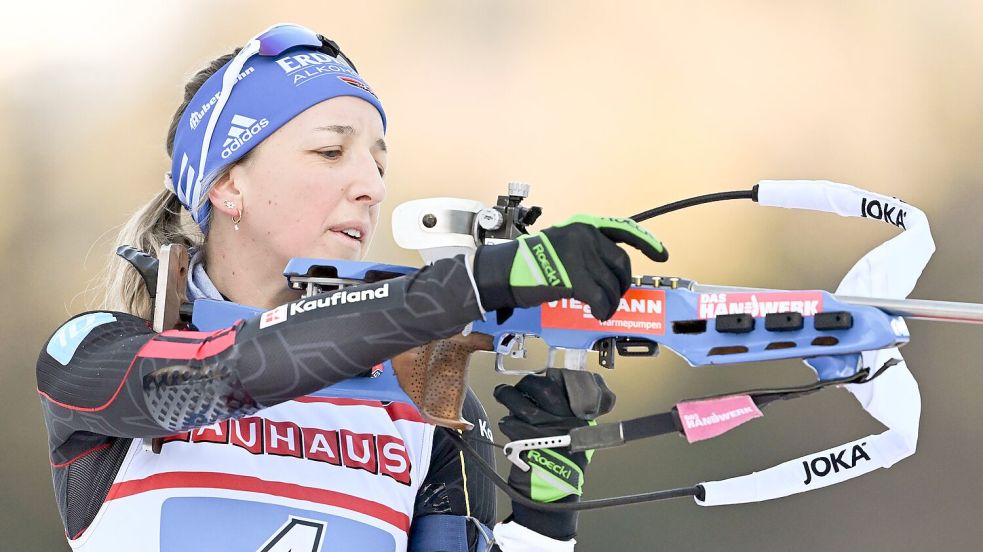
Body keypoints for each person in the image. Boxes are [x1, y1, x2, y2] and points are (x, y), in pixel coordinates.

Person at [36, 23, 668, 552]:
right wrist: (474, 283)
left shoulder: (416, 398)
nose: (372, 185)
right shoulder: (94, 351)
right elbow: (223, 371)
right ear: (227, 185)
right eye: (331, 152)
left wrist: (544, 512)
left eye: (379, 162)